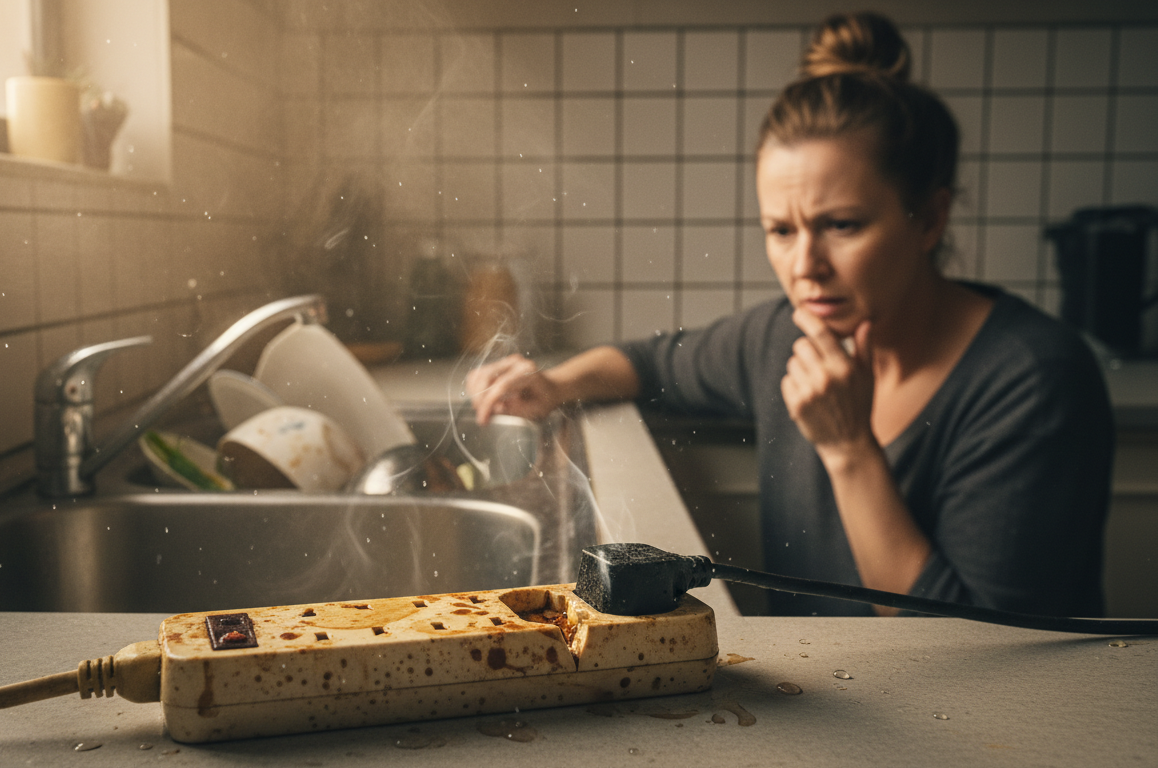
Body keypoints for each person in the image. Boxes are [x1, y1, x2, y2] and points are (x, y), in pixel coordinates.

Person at [465, 12, 1114, 618]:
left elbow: (976, 642)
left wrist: (849, 450)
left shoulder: (1032, 381)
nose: (805, 265)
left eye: (842, 225)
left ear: (931, 218)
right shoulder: (782, 337)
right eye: (781, 229)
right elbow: (649, 362)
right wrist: (554, 384)